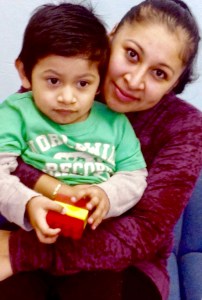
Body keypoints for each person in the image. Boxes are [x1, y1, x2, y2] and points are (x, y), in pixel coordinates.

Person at [0, 0, 202, 299]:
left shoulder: (184, 127)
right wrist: (56, 192)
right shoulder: (59, 84)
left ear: (174, 84)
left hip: (125, 262)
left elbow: (144, 232)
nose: (133, 81)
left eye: (159, 73)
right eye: (131, 55)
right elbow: (10, 159)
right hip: (31, 226)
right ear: (111, 38)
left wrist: (20, 251)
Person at [0, 2, 147, 243]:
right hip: (28, 231)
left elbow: (134, 175)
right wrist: (28, 203)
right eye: (53, 80)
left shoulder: (115, 123)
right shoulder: (15, 113)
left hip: (94, 238)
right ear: (25, 73)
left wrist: (106, 194)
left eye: (82, 84)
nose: (67, 98)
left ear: (100, 83)